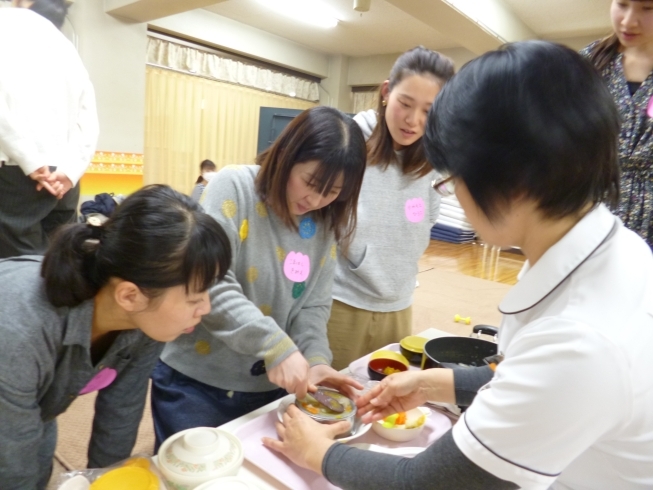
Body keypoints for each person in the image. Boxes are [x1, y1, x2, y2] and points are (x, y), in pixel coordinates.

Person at [262, 41, 653, 489]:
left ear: (509, 179)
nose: (455, 196)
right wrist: (432, 384)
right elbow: (519, 374)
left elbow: (429, 483)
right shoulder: (613, 247)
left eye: (453, 179)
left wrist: (320, 453)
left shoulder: (583, 340)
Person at [151, 106, 367, 447]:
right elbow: (210, 284)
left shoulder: (323, 222)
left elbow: (313, 307)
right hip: (197, 384)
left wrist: (315, 362)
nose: (315, 199)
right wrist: (276, 346)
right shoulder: (234, 186)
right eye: (310, 182)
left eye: (332, 192)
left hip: (269, 391)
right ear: (286, 154)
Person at [0, 185, 231, 490]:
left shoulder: (144, 319)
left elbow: (121, 412)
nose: (207, 307)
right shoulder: (20, 327)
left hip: (35, 412)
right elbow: (13, 456)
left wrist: (106, 481)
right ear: (129, 295)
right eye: (194, 297)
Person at [326, 47, 453, 371]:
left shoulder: (434, 162)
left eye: (428, 111)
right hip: (342, 302)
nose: (413, 121)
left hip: (399, 304)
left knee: (387, 401)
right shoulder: (350, 142)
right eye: (405, 104)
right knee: (332, 398)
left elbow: (428, 220)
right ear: (386, 93)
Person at [0, 3, 99, 258]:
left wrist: (30, 161)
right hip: (63, 180)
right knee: (61, 265)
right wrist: (69, 172)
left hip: (15, 174)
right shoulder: (67, 46)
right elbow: (89, 119)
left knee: (18, 270)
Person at [581, 0, 653, 249]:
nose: (628, 20)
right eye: (622, 4)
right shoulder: (590, 62)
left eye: (648, 8)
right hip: (589, 207)